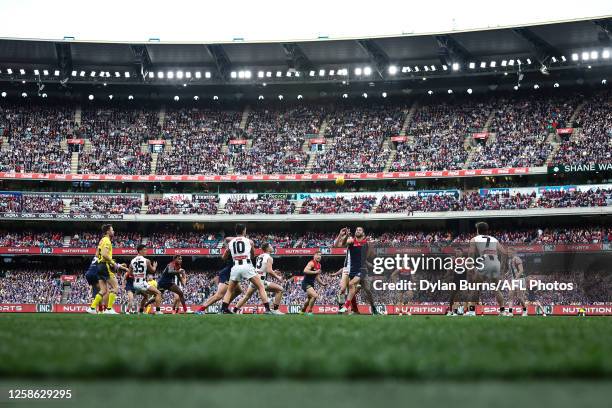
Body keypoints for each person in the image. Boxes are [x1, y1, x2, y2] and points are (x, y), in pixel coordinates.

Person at [220, 224, 273, 315]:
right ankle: (267, 309)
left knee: (229, 290)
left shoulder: (231, 243)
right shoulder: (250, 241)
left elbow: (224, 257)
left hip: (235, 266)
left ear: (236, 232)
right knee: (260, 286)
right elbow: (253, 255)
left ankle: (224, 309)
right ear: (244, 231)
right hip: (246, 265)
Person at [468, 221, 509, 316]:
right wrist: (502, 267)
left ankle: (471, 311)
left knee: (476, 287)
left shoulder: (474, 239)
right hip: (495, 263)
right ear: (487, 230)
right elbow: (504, 253)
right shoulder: (494, 239)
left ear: (478, 230)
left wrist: (471, 267)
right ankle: (502, 311)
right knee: (496, 289)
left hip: (484, 262)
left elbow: (471, 254)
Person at [336, 227, 380, 315]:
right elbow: (340, 245)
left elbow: (371, 256)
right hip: (351, 269)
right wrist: (344, 236)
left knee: (367, 291)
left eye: (360, 230)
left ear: (363, 233)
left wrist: (372, 246)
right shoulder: (351, 241)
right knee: (347, 288)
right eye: (356, 230)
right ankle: (347, 308)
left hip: (362, 269)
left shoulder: (366, 243)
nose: (357, 231)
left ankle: (371, 307)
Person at [233, 243, 285, 314]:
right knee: (280, 290)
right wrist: (278, 277)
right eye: (271, 246)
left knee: (246, 296)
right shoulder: (269, 258)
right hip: (260, 280)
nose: (272, 247)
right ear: (267, 248)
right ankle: (275, 310)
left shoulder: (259, 256)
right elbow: (269, 271)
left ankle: (234, 310)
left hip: (254, 278)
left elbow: (262, 268)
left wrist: (273, 271)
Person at [129, 244, 163, 315]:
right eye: (144, 249)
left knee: (146, 296)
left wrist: (136, 274)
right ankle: (158, 311)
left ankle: (140, 312)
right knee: (158, 293)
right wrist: (155, 266)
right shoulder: (146, 260)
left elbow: (130, 273)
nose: (146, 251)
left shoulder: (132, 261)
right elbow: (153, 271)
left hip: (135, 284)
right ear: (140, 251)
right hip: (142, 283)